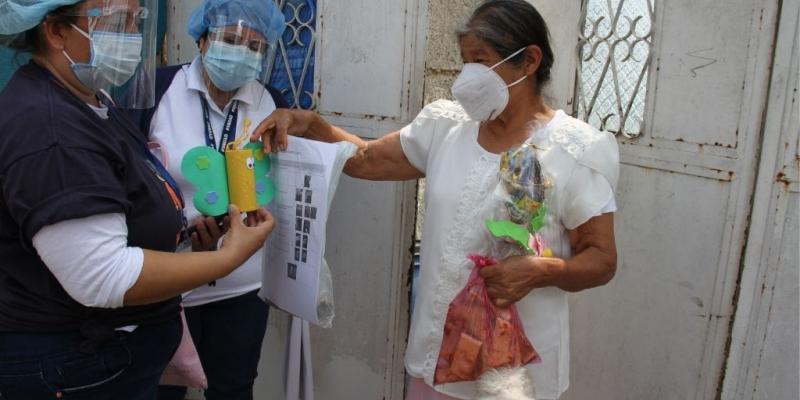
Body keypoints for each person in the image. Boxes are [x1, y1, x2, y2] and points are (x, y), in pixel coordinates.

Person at [253, 1, 619, 399]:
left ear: (529, 61)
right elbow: (367, 159)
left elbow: (601, 260)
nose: (468, 75)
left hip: (513, 377)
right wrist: (311, 124)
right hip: (436, 363)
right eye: (465, 61)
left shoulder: (575, 150)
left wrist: (540, 271)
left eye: (481, 60)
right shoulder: (446, 127)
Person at [0, 1, 275, 399]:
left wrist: (184, 239)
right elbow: (103, 275)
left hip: (111, 354)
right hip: (76, 363)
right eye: (116, 21)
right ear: (56, 30)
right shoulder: (51, 129)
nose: (130, 36)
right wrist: (228, 258)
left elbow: (118, 208)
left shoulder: (93, 103)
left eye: (135, 21)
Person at [135, 1, 287, 399]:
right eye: (230, 40)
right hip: (168, 285)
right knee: (159, 391)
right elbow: (127, 178)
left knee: (234, 389)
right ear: (202, 40)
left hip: (242, 286)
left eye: (254, 46)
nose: (241, 53)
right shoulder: (157, 90)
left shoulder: (271, 102)